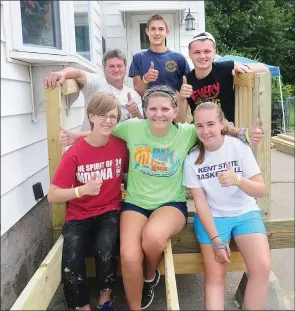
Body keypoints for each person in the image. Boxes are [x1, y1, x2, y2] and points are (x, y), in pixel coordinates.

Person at [59, 85, 263, 310]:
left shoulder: (187, 132)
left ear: (175, 111)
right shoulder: (132, 128)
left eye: (165, 108)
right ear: (145, 111)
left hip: (170, 203)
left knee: (153, 237)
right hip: (136, 202)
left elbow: (215, 129)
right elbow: (102, 130)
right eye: (153, 108)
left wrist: (244, 134)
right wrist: (75, 136)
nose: (159, 113)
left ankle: (149, 276)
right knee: (128, 255)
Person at [183, 102, 270, 310]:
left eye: (211, 124)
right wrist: (216, 240)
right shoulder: (193, 159)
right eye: (200, 125)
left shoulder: (238, 146)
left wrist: (237, 180)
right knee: (215, 277)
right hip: (213, 218)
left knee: (262, 268)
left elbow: (260, 189)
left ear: (222, 123)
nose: (205, 131)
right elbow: (200, 203)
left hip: (245, 213)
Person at [47, 93, 128, 311]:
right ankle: (81, 306)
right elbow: (53, 195)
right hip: (79, 215)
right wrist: (82, 190)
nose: (108, 121)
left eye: (113, 116)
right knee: (71, 262)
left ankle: (105, 299)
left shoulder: (121, 146)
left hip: (110, 210)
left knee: (106, 248)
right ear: (91, 116)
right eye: (102, 115)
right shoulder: (74, 153)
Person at [176, 31, 270, 123]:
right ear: (190, 54)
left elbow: (264, 69)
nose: (202, 56)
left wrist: (244, 69)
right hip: (202, 132)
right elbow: (179, 120)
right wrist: (181, 98)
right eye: (197, 52)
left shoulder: (225, 68)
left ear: (214, 53)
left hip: (228, 131)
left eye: (207, 51)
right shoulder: (185, 81)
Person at [44, 49, 144, 131]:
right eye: (111, 66)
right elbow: (77, 73)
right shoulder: (97, 83)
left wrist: (135, 112)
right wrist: (63, 74)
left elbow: (141, 125)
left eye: (119, 66)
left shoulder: (133, 95)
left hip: (117, 149)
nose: (116, 69)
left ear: (125, 68)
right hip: (89, 144)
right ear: (104, 69)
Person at [129, 13, 191, 96]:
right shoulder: (138, 58)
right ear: (147, 31)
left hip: (172, 108)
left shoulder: (179, 59)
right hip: (149, 108)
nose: (156, 33)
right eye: (153, 29)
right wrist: (145, 79)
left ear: (167, 32)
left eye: (161, 29)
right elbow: (137, 93)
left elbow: (188, 91)